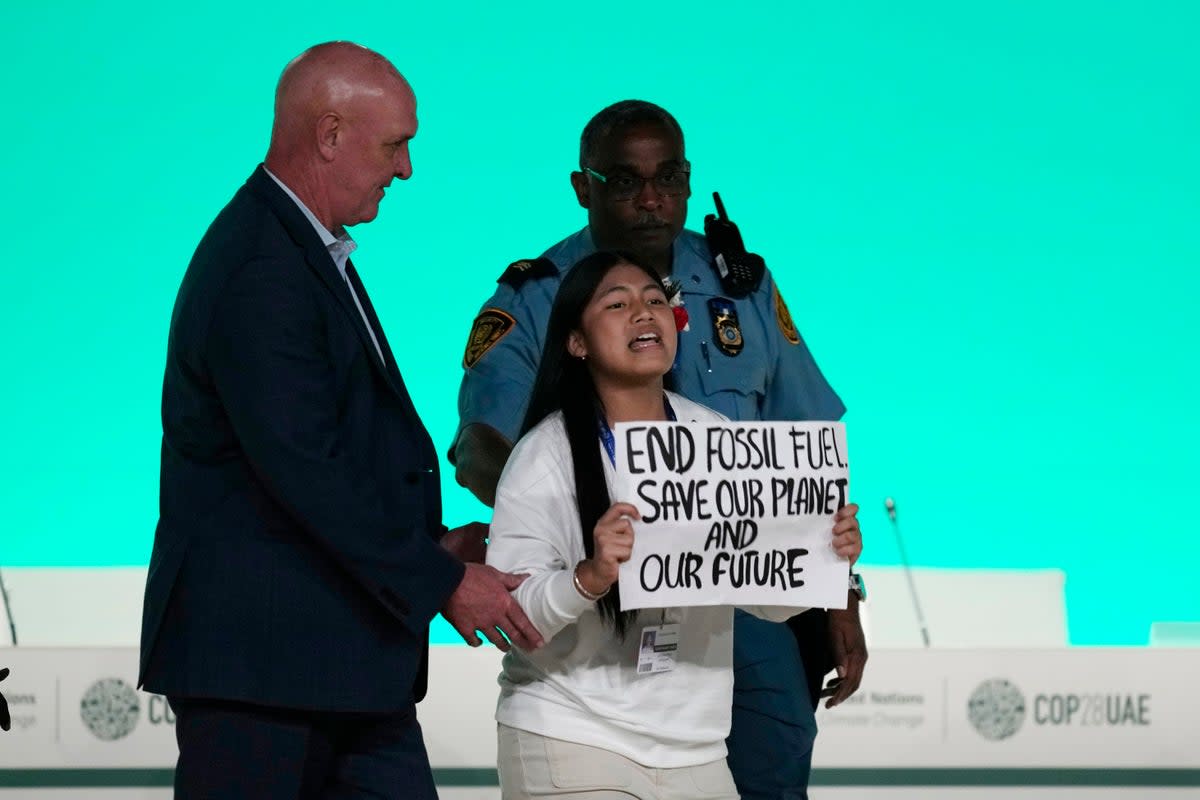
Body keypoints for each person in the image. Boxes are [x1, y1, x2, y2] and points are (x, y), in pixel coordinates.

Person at [139, 41, 542, 800]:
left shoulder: (297, 251)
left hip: (337, 668)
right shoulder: (262, 266)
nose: (406, 169)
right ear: (329, 135)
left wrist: (426, 546)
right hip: (265, 679)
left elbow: (323, 459)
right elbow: (306, 470)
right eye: (396, 145)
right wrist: (441, 578)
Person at [453, 100, 866, 799]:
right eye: (624, 181)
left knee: (772, 772)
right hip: (606, 598)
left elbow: (803, 449)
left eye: (668, 178)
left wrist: (839, 593)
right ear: (585, 188)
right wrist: (581, 516)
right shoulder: (538, 294)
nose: (651, 199)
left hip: (739, 594)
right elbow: (480, 446)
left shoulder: (746, 286)